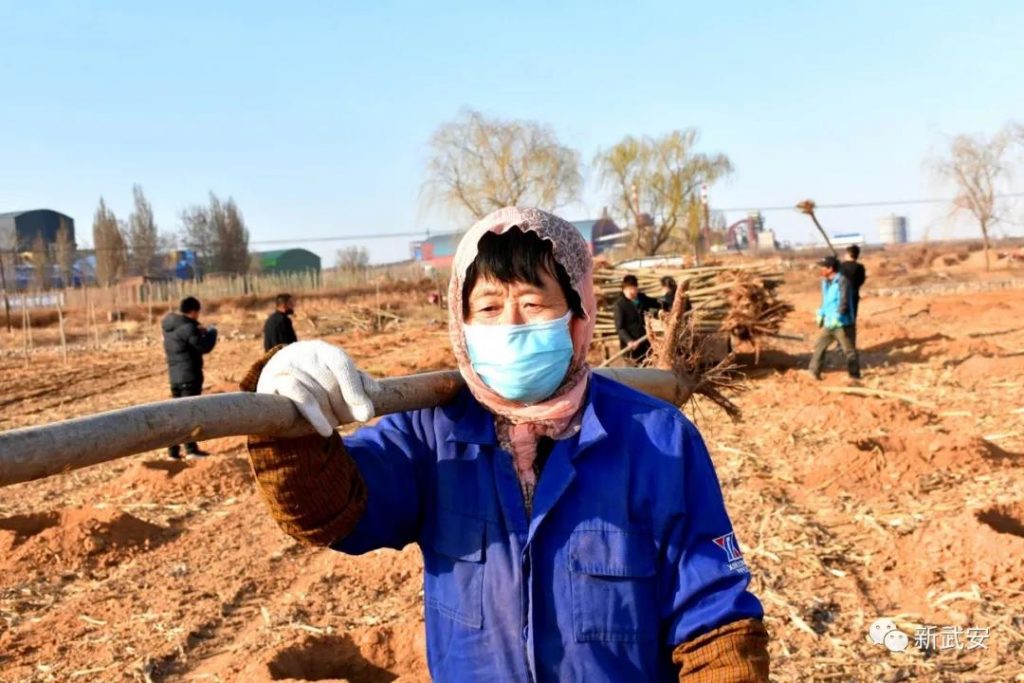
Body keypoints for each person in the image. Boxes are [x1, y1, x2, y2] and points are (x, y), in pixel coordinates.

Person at [241, 207, 769, 682]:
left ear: (578, 315)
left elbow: (714, 624)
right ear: (461, 322)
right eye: (489, 307)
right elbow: (329, 511)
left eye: (533, 303)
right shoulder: (432, 433)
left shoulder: (656, 439)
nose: (511, 325)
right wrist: (288, 420)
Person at [161, 296, 218, 459]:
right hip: (189, 375)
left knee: (177, 413)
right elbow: (203, 347)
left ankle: (173, 452)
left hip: (175, 377)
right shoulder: (188, 328)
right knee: (188, 413)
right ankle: (191, 450)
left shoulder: (170, 327)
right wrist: (212, 333)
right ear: (193, 312)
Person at [808, 256, 860, 380]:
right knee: (820, 345)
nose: (821, 269)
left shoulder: (842, 281)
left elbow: (844, 301)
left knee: (849, 350)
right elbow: (826, 301)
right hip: (829, 322)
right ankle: (813, 372)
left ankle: (854, 376)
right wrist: (821, 313)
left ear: (830, 268)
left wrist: (838, 316)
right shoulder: (826, 282)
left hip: (842, 323)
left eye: (823, 267)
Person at [613, 274, 661, 364]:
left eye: (633, 289)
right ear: (624, 289)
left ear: (636, 288)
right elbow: (620, 328)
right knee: (632, 373)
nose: (631, 292)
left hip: (646, 342)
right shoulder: (620, 305)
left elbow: (656, 303)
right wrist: (629, 341)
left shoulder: (642, 298)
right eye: (628, 290)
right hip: (632, 347)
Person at [837, 245, 867, 346]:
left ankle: (840, 344)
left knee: (840, 321)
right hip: (854, 297)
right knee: (851, 321)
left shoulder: (841, 267)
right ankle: (850, 344)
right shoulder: (860, 268)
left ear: (848, 254)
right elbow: (861, 281)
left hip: (840, 297)